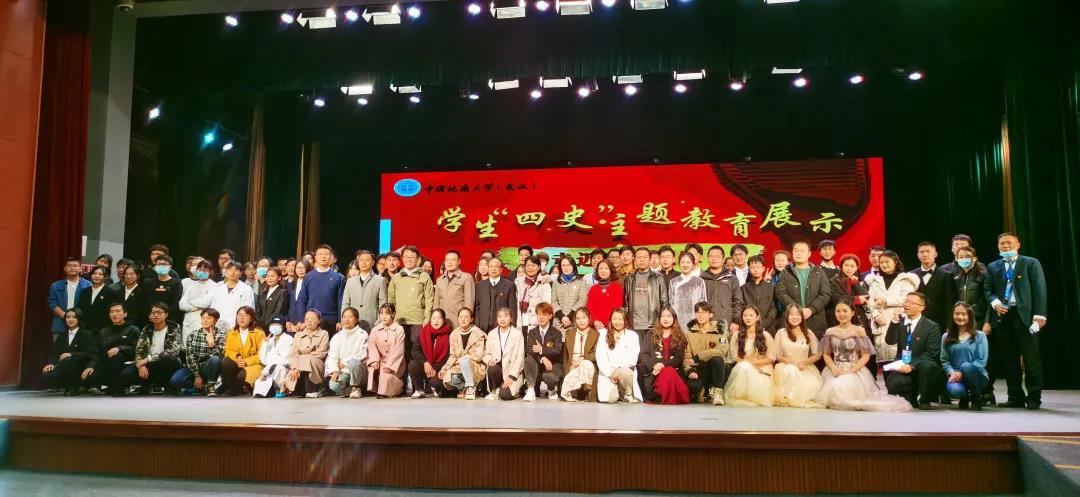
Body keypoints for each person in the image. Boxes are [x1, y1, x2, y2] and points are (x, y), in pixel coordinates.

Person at [985, 232, 1047, 409]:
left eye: (1009, 243)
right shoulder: (993, 266)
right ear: (998, 246)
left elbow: (1039, 290)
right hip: (1003, 317)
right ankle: (1015, 397)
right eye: (1002, 243)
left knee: (1031, 359)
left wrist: (1040, 315)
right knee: (1010, 360)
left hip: (1025, 318)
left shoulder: (1030, 263)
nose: (1006, 246)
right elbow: (988, 289)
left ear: (1018, 244)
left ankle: (1034, 397)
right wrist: (995, 303)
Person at [815, 300, 912, 412]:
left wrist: (851, 371)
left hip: (855, 369)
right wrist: (833, 368)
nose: (841, 314)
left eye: (845, 311)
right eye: (838, 311)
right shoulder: (830, 331)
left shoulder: (859, 331)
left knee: (844, 388)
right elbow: (826, 354)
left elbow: (865, 355)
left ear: (852, 313)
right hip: (835, 369)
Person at [884, 292, 944, 410]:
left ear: (921, 307)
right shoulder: (900, 323)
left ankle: (925, 399)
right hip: (903, 364)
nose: (907, 305)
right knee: (893, 384)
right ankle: (910, 396)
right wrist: (894, 322)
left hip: (922, 365)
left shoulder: (931, 326)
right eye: (906, 301)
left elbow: (932, 353)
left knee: (928, 367)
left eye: (911, 303)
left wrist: (912, 365)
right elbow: (890, 341)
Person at [865, 250, 920, 372]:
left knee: (900, 358)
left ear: (895, 262)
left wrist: (886, 301)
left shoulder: (905, 279)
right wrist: (876, 316)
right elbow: (870, 302)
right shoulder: (875, 281)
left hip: (900, 320)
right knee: (886, 362)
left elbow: (907, 299)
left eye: (887, 262)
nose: (884, 265)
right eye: (881, 262)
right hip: (881, 322)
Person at [120, 302, 183, 394]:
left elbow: (173, 351)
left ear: (166, 314)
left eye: (159, 312)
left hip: (166, 362)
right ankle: (146, 384)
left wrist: (149, 358)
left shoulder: (174, 327)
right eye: (153, 313)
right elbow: (139, 351)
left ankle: (169, 385)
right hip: (148, 363)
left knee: (168, 359)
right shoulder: (146, 329)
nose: (156, 315)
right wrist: (141, 366)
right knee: (126, 374)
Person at [776, 241, 833, 339]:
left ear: (809, 254)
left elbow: (826, 293)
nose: (798, 253)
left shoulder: (819, 272)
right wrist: (796, 310)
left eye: (802, 251)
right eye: (796, 251)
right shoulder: (785, 272)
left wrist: (811, 309)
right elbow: (780, 293)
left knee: (815, 347)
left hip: (815, 319)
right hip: (792, 319)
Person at [723, 305, 776, 407]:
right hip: (743, 367)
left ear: (757, 317)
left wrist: (753, 364)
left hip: (762, 368)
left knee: (746, 367)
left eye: (751, 315)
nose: (748, 318)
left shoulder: (765, 335)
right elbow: (736, 357)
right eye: (745, 315)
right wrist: (750, 365)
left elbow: (770, 358)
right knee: (743, 367)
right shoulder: (737, 335)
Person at [772, 304, 824, 408]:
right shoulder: (781, 333)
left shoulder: (808, 333)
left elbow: (817, 354)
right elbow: (776, 354)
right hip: (786, 367)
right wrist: (786, 360)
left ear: (802, 317)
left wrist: (804, 362)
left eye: (797, 314)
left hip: (804, 367)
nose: (794, 317)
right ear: (787, 316)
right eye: (791, 314)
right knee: (790, 371)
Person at [942, 302, 989, 411]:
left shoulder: (980, 335)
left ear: (970, 316)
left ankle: (975, 396)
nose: (960, 317)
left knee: (966, 366)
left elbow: (982, 360)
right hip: (956, 376)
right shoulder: (946, 337)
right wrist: (951, 372)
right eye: (957, 314)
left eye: (964, 314)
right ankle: (964, 397)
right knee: (955, 391)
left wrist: (963, 372)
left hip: (977, 375)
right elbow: (944, 360)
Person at [639, 306, 689, 404]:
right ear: (659, 318)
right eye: (663, 316)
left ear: (674, 318)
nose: (666, 319)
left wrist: (663, 365)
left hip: (673, 372)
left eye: (669, 316)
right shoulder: (650, 334)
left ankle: (665, 397)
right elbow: (643, 354)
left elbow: (678, 358)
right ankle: (661, 396)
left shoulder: (679, 336)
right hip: (654, 372)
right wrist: (654, 365)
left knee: (669, 371)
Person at [86, 302, 139, 396]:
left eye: (118, 311)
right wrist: (91, 365)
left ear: (125, 314)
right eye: (112, 312)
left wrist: (120, 348)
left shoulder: (133, 330)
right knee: (88, 376)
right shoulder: (104, 331)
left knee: (116, 356)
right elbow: (95, 351)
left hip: (126, 363)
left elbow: (137, 349)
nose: (114, 314)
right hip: (105, 362)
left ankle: (117, 387)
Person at [684, 302, 731, 405]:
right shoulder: (689, 333)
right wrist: (689, 371)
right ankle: (703, 390)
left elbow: (721, 351)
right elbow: (686, 355)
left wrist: (698, 357)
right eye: (697, 312)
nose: (700, 315)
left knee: (717, 359)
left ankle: (717, 393)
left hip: (716, 369)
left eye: (704, 312)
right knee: (693, 386)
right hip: (698, 370)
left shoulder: (720, 330)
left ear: (711, 314)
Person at [41, 308, 96, 395]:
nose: (70, 319)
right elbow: (55, 353)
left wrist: (71, 355)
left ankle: (72, 388)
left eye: (74, 317)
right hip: (63, 364)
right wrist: (51, 363)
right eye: (68, 317)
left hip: (80, 364)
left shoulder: (86, 334)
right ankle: (65, 385)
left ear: (79, 319)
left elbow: (89, 352)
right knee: (47, 374)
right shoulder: (62, 335)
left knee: (68, 360)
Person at [170, 308, 224, 395]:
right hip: (194, 368)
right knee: (175, 380)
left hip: (210, 368)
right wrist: (197, 375)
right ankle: (200, 387)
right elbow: (190, 356)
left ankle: (210, 386)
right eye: (203, 318)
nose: (205, 320)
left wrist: (211, 345)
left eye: (209, 318)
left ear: (215, 321)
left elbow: (219, 357)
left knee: (215, 359)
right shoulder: (193, 334)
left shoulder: (221, 335)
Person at [596, 308, 642, 403]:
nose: (617, 322)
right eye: (614, 319)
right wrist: (610, 374)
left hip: (624, 370)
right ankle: (619, 393)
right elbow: (600, 357)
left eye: (620, 319)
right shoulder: (604, 334)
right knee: (610, 399)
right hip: (609, 373)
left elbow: (633, 358)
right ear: (610, 320)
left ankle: (627, 393)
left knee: (626, 372)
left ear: (625, 320)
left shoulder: (632, 335)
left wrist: (619, 370)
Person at [439, 307, 487, 400]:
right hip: (459, 366)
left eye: (466, 317)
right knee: (447, 379)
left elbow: (478, 356)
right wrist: (444, 368)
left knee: (464, 360)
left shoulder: (478, 334)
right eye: (461, 317)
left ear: (471, 319)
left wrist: (462, 359)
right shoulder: (454, 334)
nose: (463, 319)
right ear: (458, 318)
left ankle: (470, 387)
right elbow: (453, 355)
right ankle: (464, 387)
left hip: (475, 366)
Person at [297, 244, 346, 333]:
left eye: (326, 254)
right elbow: (302, 300)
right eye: (320, 254)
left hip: (331, 319)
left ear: (331, 257)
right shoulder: (308, 277)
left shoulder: (338, 278)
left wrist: (340, 320)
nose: (323, 256)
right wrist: (302, 319)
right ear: (315, 257)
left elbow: (341, 301)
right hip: (311, 320)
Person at [218, 306, 266, 396]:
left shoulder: (259, 333)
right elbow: (228, 350)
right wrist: (238, 357)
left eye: (245, 315)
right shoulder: (232, 332)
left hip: (252, 364)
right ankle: (231, 388)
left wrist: (246, 362)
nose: (242, 318)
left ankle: (240, 388)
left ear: (251, 319)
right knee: (226, 362)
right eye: (239, 315)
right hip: (237, 362)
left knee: (242, 376)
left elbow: (262, 354)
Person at [912, 242, 958, 331]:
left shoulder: (946, 275)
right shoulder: (911, 275)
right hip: (915, 322)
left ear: (935, 254)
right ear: (918, 255)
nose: (925, 254)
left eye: (928, 251)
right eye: (922, 252)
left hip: (939, 323)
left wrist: (949, 325)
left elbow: (949, 302)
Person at [284, 309, 331, 397]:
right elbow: (293, 354)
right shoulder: (298, 335)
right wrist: (294, 367)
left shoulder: (324, 333)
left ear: (319, 320)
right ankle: (297, 390)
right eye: (307, 319)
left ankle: (313, 389)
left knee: (310, 361)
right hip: (299, 364)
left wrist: (299, 364)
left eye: (312, 319)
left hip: (317, 363)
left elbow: (321, 353)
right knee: (293, 365)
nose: (309, 321)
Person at [481, 307, 524, 400]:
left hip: (511, 372)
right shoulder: (492, 334)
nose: (502, 319)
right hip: (497, 371)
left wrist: (512, 376)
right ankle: (494, 390)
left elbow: (520, 358)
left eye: (505, 316)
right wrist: (489, 360)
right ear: (497, 319)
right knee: (492, 368)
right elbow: (486, 354)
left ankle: (512, 390)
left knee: (505, 395)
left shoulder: (517, 334)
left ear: (511, 319)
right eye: (500, 316)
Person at [326, 307, 369, 398]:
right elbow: (332, 356)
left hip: (358, 369)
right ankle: (347, 390)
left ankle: (356, 387)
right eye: (344, 317)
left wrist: (345, 363)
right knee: (333, 385)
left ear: (356, 319)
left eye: (350, 317)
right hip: (343, 370)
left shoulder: (362, 334)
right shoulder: (337, 336)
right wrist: (335, 370)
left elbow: (361, 355)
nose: (347, 319)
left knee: (354, 363)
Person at [409, 308, 452, 398]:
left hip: (439, 367)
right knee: (413, 365)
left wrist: (435, 368)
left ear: (444, 320)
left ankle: (437, 389)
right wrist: (425, 363)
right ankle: (419, 389)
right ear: (430, 319)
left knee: (436, 383)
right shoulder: (423, 331)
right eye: (433, 318)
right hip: (425, 365)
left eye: (439, 318)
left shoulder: (448, 334)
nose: (436, 321)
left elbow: (448, 356)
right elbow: (415, 351)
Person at [523, 303, 563, 401]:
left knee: (548, 376)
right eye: (539, 314)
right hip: (538, 364)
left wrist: (541, 349)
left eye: (544, 315)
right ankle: (531, 390)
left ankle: (551, 389)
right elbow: (529, 349)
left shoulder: (557, 333)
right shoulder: (532, 332)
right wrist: (542, 358)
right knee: (528, 360)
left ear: (550, 316)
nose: (541, 317)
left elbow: (557, 351)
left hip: (553, 364)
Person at [366, 303, 406, 398]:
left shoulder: (399, 329)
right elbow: (372, 346)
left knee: (387, 377)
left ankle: (398, 387)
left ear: (393, 314)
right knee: (372, 370)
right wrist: (375, 360)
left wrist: (390, 365)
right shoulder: (375, 330)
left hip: (395, 364)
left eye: (387, 313)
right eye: (381, 313)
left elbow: (399, 350)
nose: (384, 316)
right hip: (380, 362)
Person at [622, 251, 667, 333]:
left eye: (644, 257)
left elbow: (664, 301)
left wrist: (661, 320)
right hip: (633, 324)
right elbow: (626, 303)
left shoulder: (658, 277)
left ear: (650, 259)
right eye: (639, 257)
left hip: (653, 323)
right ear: (635, 260)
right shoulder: (629, 279)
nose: (641, 260)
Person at [561, 307, 600, 402]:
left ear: (589, 318)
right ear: (575, 320)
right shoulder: (569, 334)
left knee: (586, 364)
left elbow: (597, 354)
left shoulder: (595, 334)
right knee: (571, 394)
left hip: (588, 367)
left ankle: (587, 390)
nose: (581, 321)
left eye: (584, 318)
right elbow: (566, 357)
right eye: (578, 318)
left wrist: (584, 358)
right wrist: (568, 368)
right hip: (573, 366)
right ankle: (575, 391)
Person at [699, 247, 740, 335]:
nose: (714, 259)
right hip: (706, 325)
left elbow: (737, 301)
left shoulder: (731, 278)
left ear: (723, 259)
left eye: (717, 256)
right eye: (711, 256)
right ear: (707, 258)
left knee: (724, 344)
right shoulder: (701, 279)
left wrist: (736, 321)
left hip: (726, 324)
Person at [48, 257, 90, 340]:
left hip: (81, 324)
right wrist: (66, 316)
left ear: (80, 268)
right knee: (59, 347)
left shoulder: (88, 285)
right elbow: (52, 303)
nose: (72, 268)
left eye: (75, 266)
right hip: (60, 324)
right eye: (69, 265)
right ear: (65, 268)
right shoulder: (55, 286)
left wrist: (76, 318)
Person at [253, 316, 294, 398]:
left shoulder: (289, 339)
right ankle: (271, 389)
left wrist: (265, 372)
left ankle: (282, 389)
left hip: (283, 369)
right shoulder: (269, 340)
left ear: (283, 326)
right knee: (259, 393)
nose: (274, 326)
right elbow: (263, 360)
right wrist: (265, 345)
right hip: (268, 371)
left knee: (277, 368)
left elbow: (285, 359)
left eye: (277, 324)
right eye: (273, 324)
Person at [952, 246, 990, 330]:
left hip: (979, 319)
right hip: (961, 318)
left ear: (975, 258)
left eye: (967, 256)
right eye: (961, 257)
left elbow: (989, 301)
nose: (963, 259)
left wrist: (987, 322)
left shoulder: (983, 276)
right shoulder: (957, 278)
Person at [178, 260, 216, 344]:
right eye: (200, 269)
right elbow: (181, 305)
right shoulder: (192, 286)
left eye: (205, 270)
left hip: (203, 320)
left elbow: (205, 303)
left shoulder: (213, 285)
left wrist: (190, 301)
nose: (202, 272)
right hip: (188, 320)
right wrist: (197, 307)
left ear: (210, 272)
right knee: (187, 345)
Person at [474, 258, 517, 333]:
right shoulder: (480, 285)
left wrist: (512, 326)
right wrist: (477, 325)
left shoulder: (509, 285)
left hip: (503, 326)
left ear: (501, 269)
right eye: (491, 266)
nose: (493, 269)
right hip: (483, 327)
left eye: (496, 266)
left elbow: (512, 308)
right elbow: (477, 307)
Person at [738, 256, 778, 333]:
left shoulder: (771, 287)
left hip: (768, 327)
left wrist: (764, 324)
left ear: (763, 269)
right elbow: (741, 307)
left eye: (758, 267)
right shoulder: (743, 288)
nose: (755, 270)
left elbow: (774, 308)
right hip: (748, 326)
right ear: (749, 270)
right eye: (752, 267)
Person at [514, 256, 552, 333]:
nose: (530, 268)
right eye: (528, 265)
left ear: (539, 267)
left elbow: (546, 305)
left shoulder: (545, 284)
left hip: (536, 322)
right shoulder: (518, 282)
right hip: (519, 321)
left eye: (533, 265)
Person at [433, 250, 475, 320]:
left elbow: (469, 303)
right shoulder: (439, 280)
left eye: (453, 260)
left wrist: (465, 320)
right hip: (442, 320)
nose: (449, 262)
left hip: (458, 320)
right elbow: (436, 303)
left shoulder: (466, 278)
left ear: (459, 261)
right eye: (447, 260)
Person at [552, 255, 589, 333]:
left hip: (576, 321)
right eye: (563, 265)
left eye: (568, 265)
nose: (566, 268)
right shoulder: (556, 282)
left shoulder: (581, 281)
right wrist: (562, 317)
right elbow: (554, 301)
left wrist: (570, 316)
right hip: (559, 321)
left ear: (573, 266)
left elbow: (582, 300)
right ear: (560, 267)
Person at [76, 265, 113, 336]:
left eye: (100, 274)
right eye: (94, 273)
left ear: (105, 277)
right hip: (85, 329)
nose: (96, 276)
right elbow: (80, 309)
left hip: (102, 330)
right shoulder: (85, 292)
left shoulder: (110, 292)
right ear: (91, 275)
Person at [586, 260, 623, 330]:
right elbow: (589, 308)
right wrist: (595, 321)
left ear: (611, 270)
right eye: (600, 268)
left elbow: (617, 308)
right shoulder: (593, 289)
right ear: (597, 271)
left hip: (612, 326)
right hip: (595, 326)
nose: (603, 271)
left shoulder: (617, 288)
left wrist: (606, 323)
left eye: (606, 268)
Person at [146, 255, 184, 325]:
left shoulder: (176, 283)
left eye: (163, 264)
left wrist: (163, 315)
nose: (161, 266)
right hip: (152, 318)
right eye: (158, 264)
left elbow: (175, 303)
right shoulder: (148, 283)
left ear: (170, 267)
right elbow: (146, 301)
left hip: (170, 319)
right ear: (155, 267)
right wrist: (152, 314)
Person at [286, 260, 311, 329]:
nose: (300, 270)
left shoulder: (311, 285)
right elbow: (286, 304)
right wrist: (287, 320)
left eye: (303, 268)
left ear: (308, 269)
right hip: (291, 322)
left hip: (305, 322)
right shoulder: (290, 285)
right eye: (298, 268)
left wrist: (305, 321)